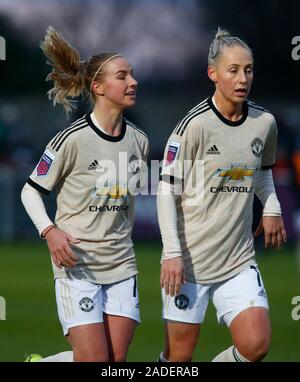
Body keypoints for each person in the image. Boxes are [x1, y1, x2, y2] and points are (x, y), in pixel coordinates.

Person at [157, 28, 287, 362]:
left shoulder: (264, 122)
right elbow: (166, 190)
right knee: (178, 360)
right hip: (189, 262)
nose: (243, 78)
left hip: (238, 260)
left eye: (249, 69)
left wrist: (271, 207)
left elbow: (261, 171)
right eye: (233, 70)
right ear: (213, 74)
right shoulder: (193, 126)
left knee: (256, 345)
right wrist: (172, 253)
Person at [21, 26, 148, 362]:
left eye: (132, 75)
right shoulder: (71, 139)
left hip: (122, 264)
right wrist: (49, 231)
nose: (132, 82)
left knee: (114, 363)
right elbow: (30, 191)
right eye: (122, 76)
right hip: (77, 265)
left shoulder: (140, 141)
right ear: (99, 87)